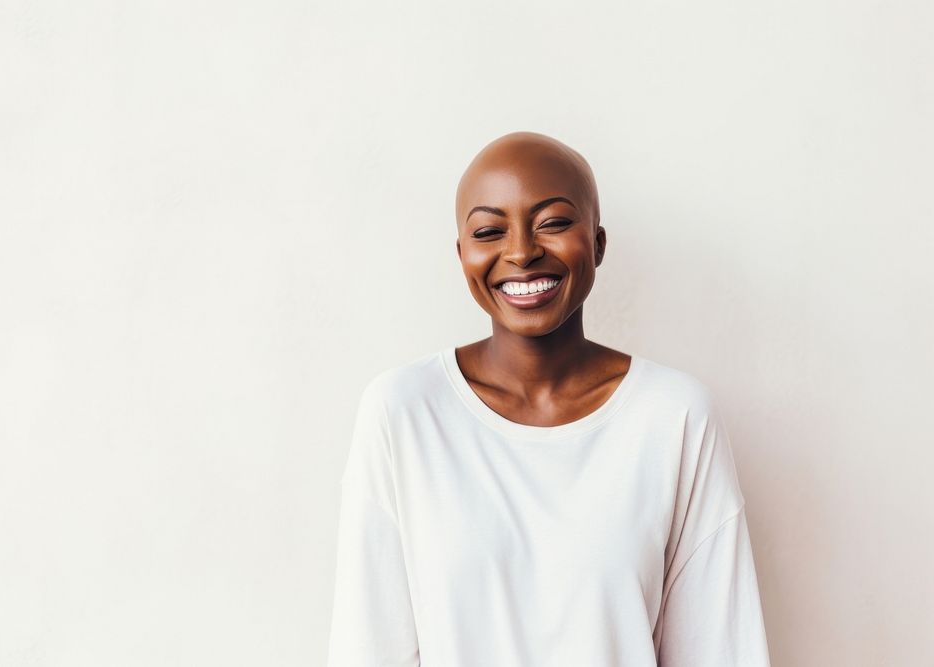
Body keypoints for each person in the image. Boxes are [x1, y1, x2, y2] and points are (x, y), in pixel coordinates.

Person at [325, 131, 771, 666]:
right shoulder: (403, 414)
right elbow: (368, 649)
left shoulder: (674, 417)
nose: (521, 252)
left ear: (598, 242)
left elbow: (721, 651)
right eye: (490, 230)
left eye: (554, 222)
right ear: (462, 253)